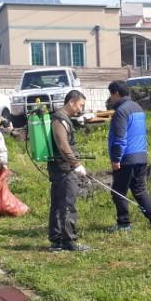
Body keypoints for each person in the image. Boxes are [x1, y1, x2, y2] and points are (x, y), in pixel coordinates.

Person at [106, 81, 151, 231]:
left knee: (118, 191)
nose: (111, 98)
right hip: (141, 155)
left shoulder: (121, 112)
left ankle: (123, 223)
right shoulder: (138, 108)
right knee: (139, 190)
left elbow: (120, 138)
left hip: (126, 158)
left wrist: (116, 159)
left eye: (111, 94)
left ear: (116, 93)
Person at [48, 90, 88, 252]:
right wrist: (76, 164)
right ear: (71, 102)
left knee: (58, 203)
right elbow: (63, 145)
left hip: (59, 168)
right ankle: (68, 241)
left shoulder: (62, 118)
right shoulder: (60, 120)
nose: (81, 109)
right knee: (67, 204)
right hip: (64, 169)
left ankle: (57, 240)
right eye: (80, 105)